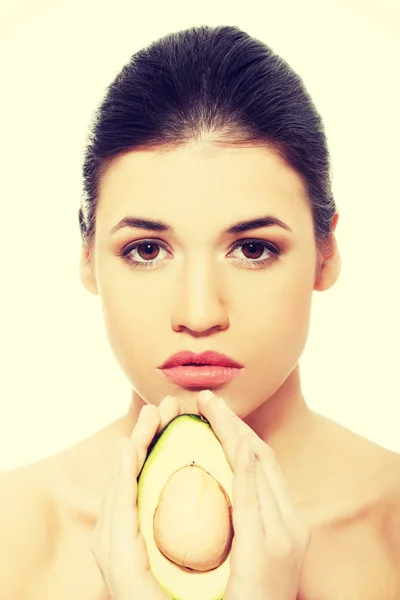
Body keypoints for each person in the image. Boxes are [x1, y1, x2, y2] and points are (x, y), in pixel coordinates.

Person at [1, 23, 399, 600]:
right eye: (146, 250)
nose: (198, 312)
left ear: (326, 253)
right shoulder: (15, 539)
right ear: (87, 257)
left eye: (253, 249)